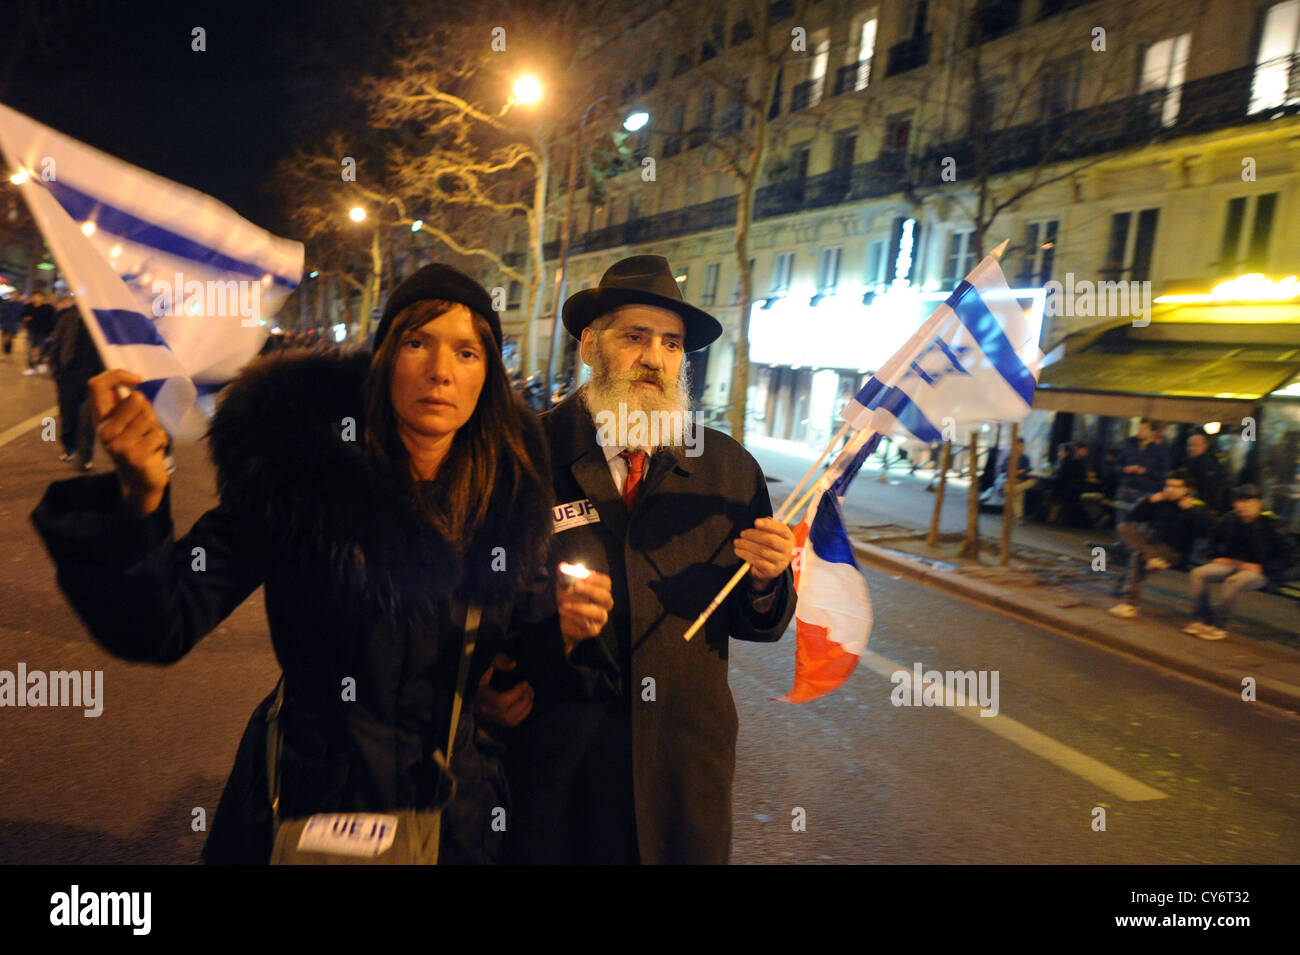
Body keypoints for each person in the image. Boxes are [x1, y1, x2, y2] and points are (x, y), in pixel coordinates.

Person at [30, 264, 554, 864]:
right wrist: (140, 500)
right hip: (305, 805)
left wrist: (538, 655)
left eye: (466, 352)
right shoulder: (302, 473)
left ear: (487, 374)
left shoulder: (509, 493)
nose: (441, 372)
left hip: (453, 826)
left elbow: (522, 636)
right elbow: (159, 621)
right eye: (417, 343)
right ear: (383, 359)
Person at [496, 254, 797, 864]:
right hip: (561, 775)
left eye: (672, 343)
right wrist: (520, 651)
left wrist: (768, 579)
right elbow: (479, 598)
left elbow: (757, 622)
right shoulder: (526, 454)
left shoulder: (727, 468)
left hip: (682, 780)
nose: (654, 358)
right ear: (589, 345)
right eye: (635, 336)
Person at [1183, 485, 1292, 640]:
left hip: (1260, 571)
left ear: (1259, 504)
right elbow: (1212, 538)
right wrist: (1215, 556)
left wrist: (1263, 567)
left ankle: (1218, 626)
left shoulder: (1272, 526)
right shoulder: (1230, 519)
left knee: (1233, 582)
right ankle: (1203, 620)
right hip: (1233, 564)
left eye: (1248, 502)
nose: (1242, 506)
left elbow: (1290, 555)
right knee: (1197, 574)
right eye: (1239, 501)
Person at [1108, 469, 1213, 618]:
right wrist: (1148, 501)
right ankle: (1151, 558)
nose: (1170, 489)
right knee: (1124, 528)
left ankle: (1129, 605)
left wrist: (1190, 511)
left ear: (1187, 490)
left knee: (1138, 558)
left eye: (1176, 486)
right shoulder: (1161, 501)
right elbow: (1132, 517)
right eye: (1168, 485)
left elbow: (1204, 531)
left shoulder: (1195, 506)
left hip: (1174, 551)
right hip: (1151, 545)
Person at [48, 301, 104, 469]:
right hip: (69, 375)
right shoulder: (67, 319)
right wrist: (56, 372)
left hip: (93, 377)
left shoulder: (101, 321)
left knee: (88, 420)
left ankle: (86, 456)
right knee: (68, 415)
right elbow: (56, 345)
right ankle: (69, 447)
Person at [1113, 419, 1169, 520]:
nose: (1140, 431)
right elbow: (1116, 466)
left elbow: (1164, 473)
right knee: (1121, 523)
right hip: (1125, 489)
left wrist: (1145, 471)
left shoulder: (1160, 452)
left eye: (1144, 429)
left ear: (1153, 432)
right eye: (1139, 428)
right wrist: (1125, 469)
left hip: (1145, 491)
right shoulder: (1130, 447)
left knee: (1138, 524)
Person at [1184, 432, 1227, 514]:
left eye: (1195, 445)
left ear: (1205, 446)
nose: (1191, 448)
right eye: (1189, 445)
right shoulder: (1187, 461)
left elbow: (1210, 491)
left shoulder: (1210, 464)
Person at [0, 290, 23, 357]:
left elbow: (21, 314)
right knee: (4, 337)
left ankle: (7, 349)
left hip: (14, 323)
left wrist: (20, 323)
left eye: (15, 295)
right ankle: (6, 349)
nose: (14, 296)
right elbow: (2, 312)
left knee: (10, 337)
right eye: (13, 294)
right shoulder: (5, 303)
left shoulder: (19, 304)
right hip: (5, 323)